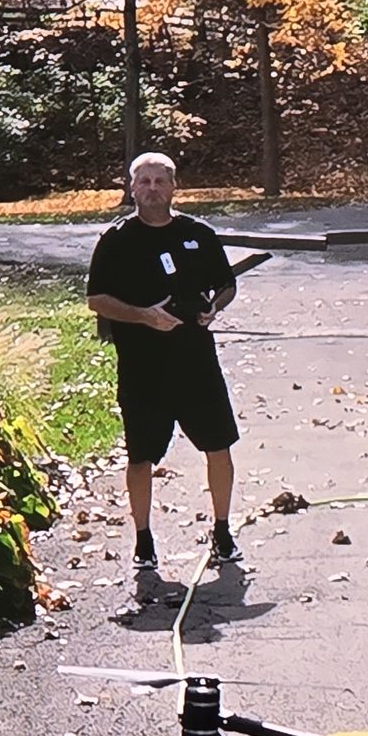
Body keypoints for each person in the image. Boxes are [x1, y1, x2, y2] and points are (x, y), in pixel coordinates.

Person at [85, 151, 243, 569]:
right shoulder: (117, 241)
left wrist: (215, 307)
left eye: (161, 181)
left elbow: (226, 284)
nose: (152, 189)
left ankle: (223, 532)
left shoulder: (198, 234)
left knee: (219, 447)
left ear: (174, 187)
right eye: (145, 182)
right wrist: (144, 316)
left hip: (196, 363)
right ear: (132, 188)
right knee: (140, 457)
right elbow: (95, 300)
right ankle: (143, 539)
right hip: (143, 368)